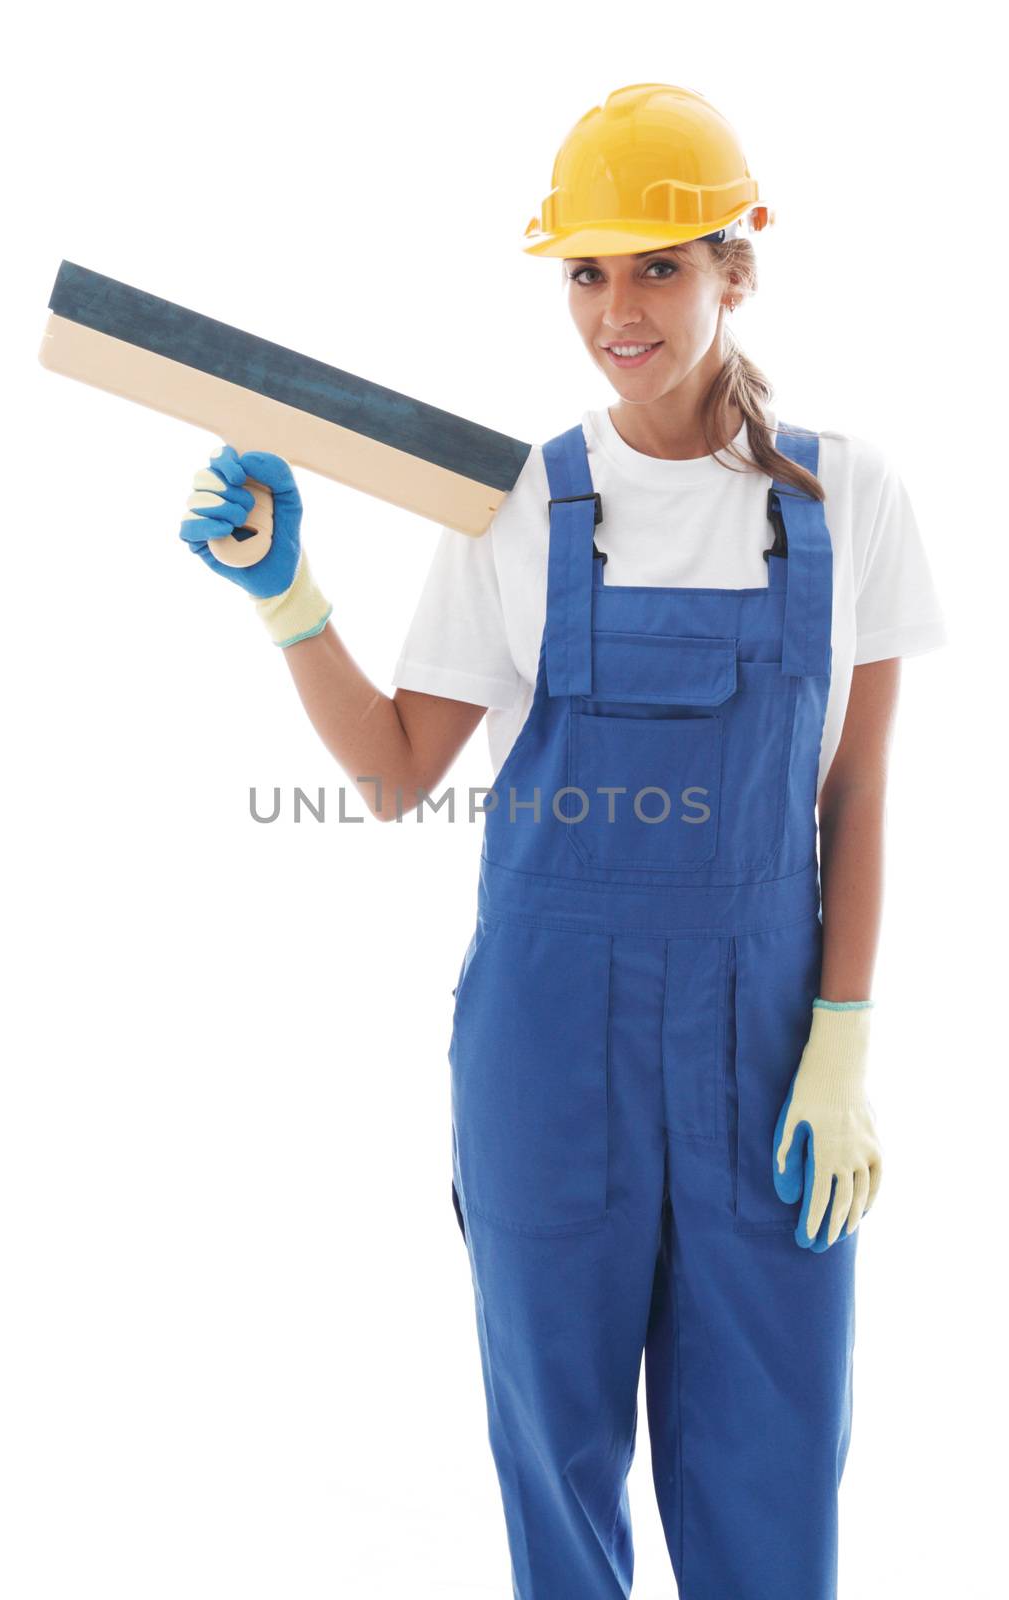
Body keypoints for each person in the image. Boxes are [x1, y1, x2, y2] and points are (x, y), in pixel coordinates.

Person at [179, 82, 948, 1600]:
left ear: (739, 269)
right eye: (585, 271)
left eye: (658, 264)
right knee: (557, 1467)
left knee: (774, 1469)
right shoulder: (517, 500)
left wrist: (846, 1033)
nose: (618, 308)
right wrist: (290, 598)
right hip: (546, 1053)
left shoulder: (850, 495)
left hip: (766, 1051)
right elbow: (401, 771)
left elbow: (858, 791)